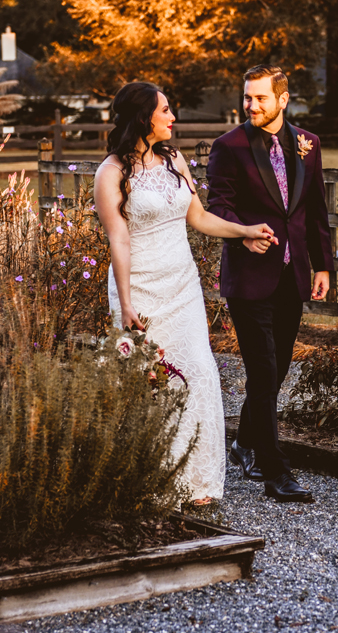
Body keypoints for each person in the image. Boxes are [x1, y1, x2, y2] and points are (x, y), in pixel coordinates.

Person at [94, 81, 277, 506]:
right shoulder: (112, 172)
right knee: (150, 384)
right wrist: (125, 303)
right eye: (165, 110)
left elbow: (198, 217)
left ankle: (197, 484)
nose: (173, 117)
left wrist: (244, 231)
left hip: (182, 284)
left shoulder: (175, 160)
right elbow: (118, 240)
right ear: (143, 118)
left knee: (198, 372)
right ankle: (153, 481)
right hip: (138, 286)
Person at [206, 65, 335, 503]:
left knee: (275, 372)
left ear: (283, 99)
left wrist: (323, 266)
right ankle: (276, 469)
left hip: (292, 273)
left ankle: (243, 442)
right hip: (248, 276)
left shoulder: (308, 144)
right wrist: (245, 232)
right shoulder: (229, 147)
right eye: (248, 97)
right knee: (264, 372)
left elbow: (316, 208)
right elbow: (218, 206)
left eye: (260, 98)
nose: (251, 105)